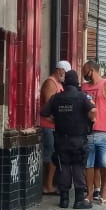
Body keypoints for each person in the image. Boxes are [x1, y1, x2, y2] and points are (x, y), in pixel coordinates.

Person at [39, 70, 96, 209]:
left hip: (61, 139)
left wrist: (55, 121)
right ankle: (79, 200)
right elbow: (93, 111)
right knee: (78, 166)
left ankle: (64, 200)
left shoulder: (56, 98)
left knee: (63, 166)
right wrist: (90, 120)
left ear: (65, 82)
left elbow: (43, 113)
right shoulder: (82, 97)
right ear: (76, 82)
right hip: (78, 139)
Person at [81, 61, 106, 205]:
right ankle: (90, 193)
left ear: (92, 70)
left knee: (105, 163)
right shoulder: (84, 87)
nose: (83, 74)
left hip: (104, 131)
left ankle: (104, 190)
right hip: (88, 132)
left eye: (85, 71)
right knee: (88, 164)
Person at [39, 60, 72, 195]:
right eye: (65, 73)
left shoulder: (58, 84)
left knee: (55, 155)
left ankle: (51, 183)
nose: (66, 75)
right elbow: (49, 106)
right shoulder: (50, 83)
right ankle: (47, 185)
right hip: (48, 125)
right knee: (51, 155)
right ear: (59, 71)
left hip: (55, 126)